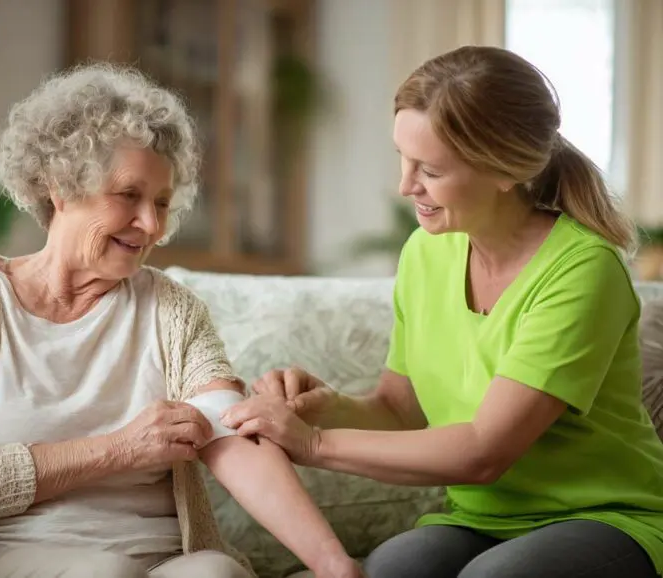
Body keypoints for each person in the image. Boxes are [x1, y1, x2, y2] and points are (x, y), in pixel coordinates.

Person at [0, 64, 363, 578]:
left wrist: (334, 565)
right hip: (10, 555)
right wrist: (118, 450)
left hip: (162, 558)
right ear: (59, 186)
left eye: (163, 203)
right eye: (129, 196)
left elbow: (232, 438)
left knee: (216, 573)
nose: (151, 225)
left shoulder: (173, 310)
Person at [221, 46, 663, 578]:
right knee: (392, 571)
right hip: (481, 519)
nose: (406, 186)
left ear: (505, 170)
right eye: (403, 160)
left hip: (606, 517)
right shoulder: (426, 252)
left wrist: (314, 444)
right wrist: (324, 407)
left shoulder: (581, 272)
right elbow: (399, 411)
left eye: (430, 169)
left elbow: (484, 453)